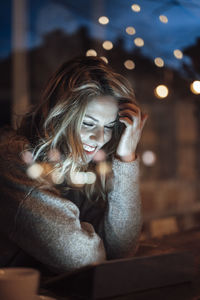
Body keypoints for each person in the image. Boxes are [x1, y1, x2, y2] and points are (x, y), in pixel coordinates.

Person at [0, 56, 147, 274]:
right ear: (59, 115)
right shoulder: (14, 160)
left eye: (109, 126)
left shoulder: (76, 166)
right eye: (88, 123)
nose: (99, 138)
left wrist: (126, 158)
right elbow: (86, 258)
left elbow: (121, 250)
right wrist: (90, 238)